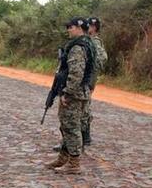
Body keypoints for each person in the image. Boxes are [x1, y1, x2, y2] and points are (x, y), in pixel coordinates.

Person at [46, 17, 95, 173]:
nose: (68, 29)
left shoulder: (78, 47)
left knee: (71, 127)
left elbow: (76, 73)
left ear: (79, 28)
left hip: (74, 93)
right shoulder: (88, 44)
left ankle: (74, 164)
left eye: (70, 27)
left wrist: (67, 93)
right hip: (81, 92)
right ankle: (63, 158)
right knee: (68, 126)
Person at [82, 17, 108, 145]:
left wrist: (90, 69)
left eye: (91, 25)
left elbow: (102, 59)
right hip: (87, 78)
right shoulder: (88, 40)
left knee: (84, 106)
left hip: (88, 79)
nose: (88, 27)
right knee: (84, 106)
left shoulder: (95, 42)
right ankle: (84, 136)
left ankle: (84, 136)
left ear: (95, 27)